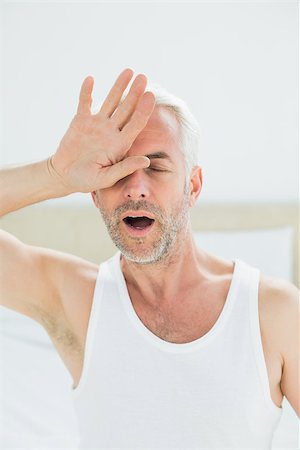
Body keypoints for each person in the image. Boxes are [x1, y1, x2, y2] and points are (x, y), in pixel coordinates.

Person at [0, 68, 299, 449]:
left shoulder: (274, 311)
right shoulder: (75, 298)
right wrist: (55, 174)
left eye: (156, 167)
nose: (135, 186)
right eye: (116, 169)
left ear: (193, 186)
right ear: (93, 193)